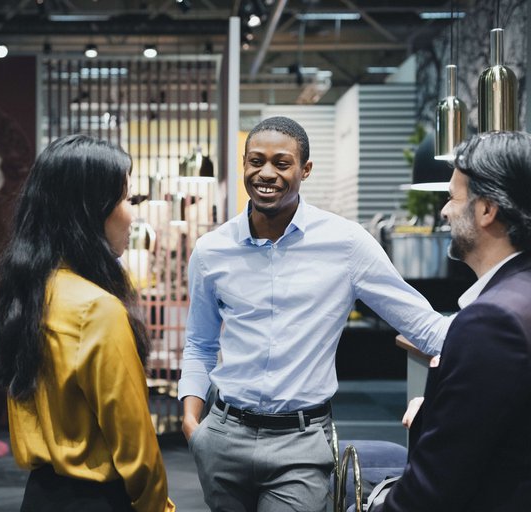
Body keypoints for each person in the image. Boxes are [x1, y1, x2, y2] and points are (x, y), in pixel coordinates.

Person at [178, 116, 452, 511]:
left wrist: (491, 334)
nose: (266, 173)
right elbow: (200, 344)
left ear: (305, 170)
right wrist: (192, 424)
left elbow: (422, 325)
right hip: (223, 434)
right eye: (255, 161)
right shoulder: (211, 251)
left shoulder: (346, 243)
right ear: (243, 165)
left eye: (281, 162)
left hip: (300, 442)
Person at [0, 134, 175, 512]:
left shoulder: (29, 293)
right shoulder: (96, 309)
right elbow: (136, 447)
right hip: (98, 500)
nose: (132, 213)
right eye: (125, 199)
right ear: (90, 210)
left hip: (39, 496)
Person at [378, 131, 531, 512]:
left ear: (486, 210)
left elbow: (433, 487)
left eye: (453, 196)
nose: (445, 211)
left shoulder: (491, 321)